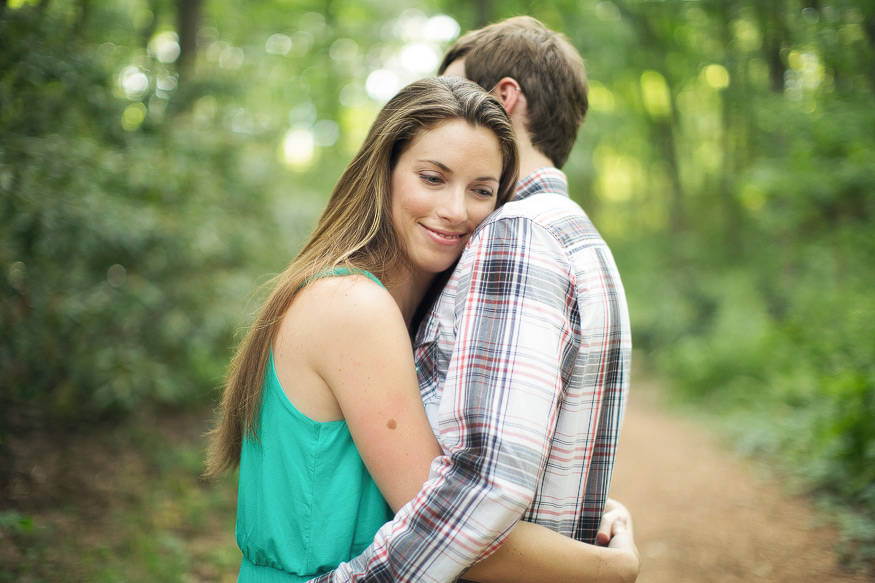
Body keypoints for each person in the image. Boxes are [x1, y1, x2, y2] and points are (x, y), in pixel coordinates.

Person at [205, 76, 637, 582]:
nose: (457, 210)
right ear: (384, 171)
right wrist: (610, 567)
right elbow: (454, 531)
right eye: (432, 178)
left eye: (481, 190)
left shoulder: (407, 315)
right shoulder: (353, 306)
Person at [310, 16, 634, 583]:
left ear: (502, 99)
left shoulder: (518, 234)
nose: (447, 106)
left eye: (457, 88)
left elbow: (486, 483)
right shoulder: (579, 238)